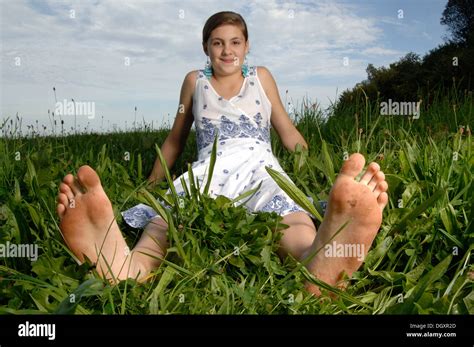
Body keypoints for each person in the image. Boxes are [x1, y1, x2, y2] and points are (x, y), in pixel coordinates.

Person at [56, 11, 388, 296]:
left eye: (235, 42)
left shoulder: (261, 77)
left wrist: (318, 167)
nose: (227, 51)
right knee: (166, 221)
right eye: (218, 43)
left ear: (246, 46)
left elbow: (286, 130)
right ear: (206, 48)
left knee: (292, 218)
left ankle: (316, 261)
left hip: (262, 169)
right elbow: (175, 139)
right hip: (208, 171)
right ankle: (130, 266)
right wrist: (153, 183)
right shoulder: (194, 82)